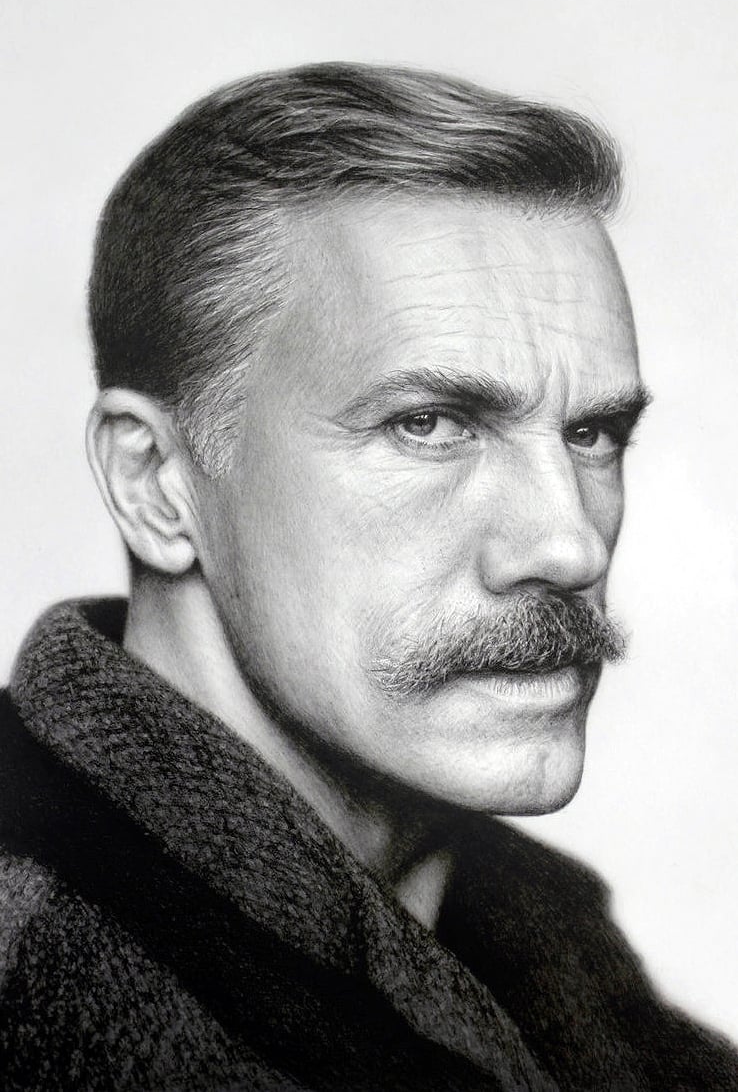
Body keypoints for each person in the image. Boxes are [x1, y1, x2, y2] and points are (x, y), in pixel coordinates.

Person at [0, 62, 735, 1092]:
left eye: (594, 433)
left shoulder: (548, 946)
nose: (571, 545)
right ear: (156, 482)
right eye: (428, 424)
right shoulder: (47, 989)